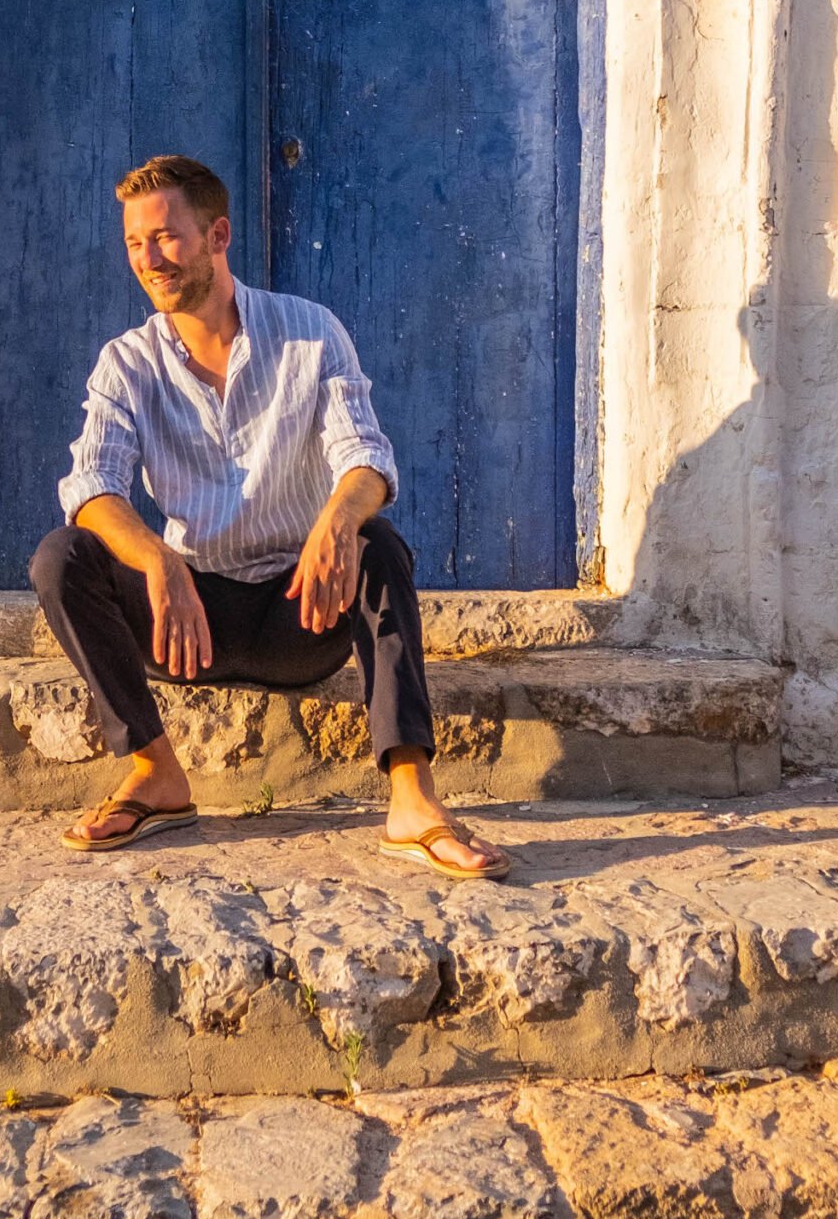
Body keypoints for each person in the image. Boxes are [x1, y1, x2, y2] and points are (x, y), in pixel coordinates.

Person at [28, 153, 510, 879]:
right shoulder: (126, 362)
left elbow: (367, 458)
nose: (148, 259)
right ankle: (155, 772)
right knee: (62, 555)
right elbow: (91, 483)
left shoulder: (310, 332)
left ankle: (412, 798)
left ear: (218, 236)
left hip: (300, 612)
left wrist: (337, 520)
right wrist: (158, 559)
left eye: (166, 237)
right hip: (190, 619)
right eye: (134, 243)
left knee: (376, 542)